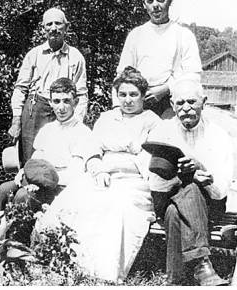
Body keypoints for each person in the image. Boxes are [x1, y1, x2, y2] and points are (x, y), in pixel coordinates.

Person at [35, 67, 161, 283]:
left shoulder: (152, 121)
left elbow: (150, 158)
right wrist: (98, 169)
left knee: (115, 207)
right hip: (102, 174)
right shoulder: (106, 118)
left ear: (142, 96)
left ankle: (103, 270)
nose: (128, 100)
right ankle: (62, 258)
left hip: (134, 180)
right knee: (74, 199)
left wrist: (131, 151)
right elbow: (92, 152)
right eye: (123, 95)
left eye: (133, 95)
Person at [147, 79, 234, 286]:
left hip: (209, 208)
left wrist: (200, 172)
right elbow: (154, 185)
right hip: (166, 199)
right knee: (185, 190)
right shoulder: (162, 132)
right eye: (180, 103)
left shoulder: (218, 136)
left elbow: (220, 192)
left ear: (204, 102)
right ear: (171, 104)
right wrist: (181, 178)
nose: (186, 108)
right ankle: (202, 265)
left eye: (192, 102)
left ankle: (176, 281)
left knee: (180, 205)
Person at [0, 77, 98, 214]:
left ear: (76, 102)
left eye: (66, 101)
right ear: (50, 103)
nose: (61, 107)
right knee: (3, 190)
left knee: (23, 196)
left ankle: (19, 235)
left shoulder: (82, 133)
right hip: (38, 179)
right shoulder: (47, 129)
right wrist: (24, 173)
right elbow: (36, 160)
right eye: (56, 101)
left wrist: (40, 181)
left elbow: (74, 174)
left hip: (59, 185)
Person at [8, 7, 88, 166]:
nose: (53, 28)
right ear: (43, 28)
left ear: (67, 27)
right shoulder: (34, 54)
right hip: (36, 111)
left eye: (58, 23)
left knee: (61, 155)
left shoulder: (76, 57)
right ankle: (28, 189)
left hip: (64, 109)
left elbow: (81, 94)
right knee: (32, 160)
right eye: (49, 24)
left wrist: (76, 122)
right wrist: (16, 120)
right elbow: (20, 89)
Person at [114, 0, 202, 118]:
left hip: (172, 103)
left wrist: (165, 89)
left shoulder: (183, 35)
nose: (155, 5)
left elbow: (193, 75)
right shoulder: (136, 35)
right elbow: (122, 74)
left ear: (170, 0)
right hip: (139, 103)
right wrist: (118, 108)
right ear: (144, 4)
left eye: (160, 0)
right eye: (150, 1)